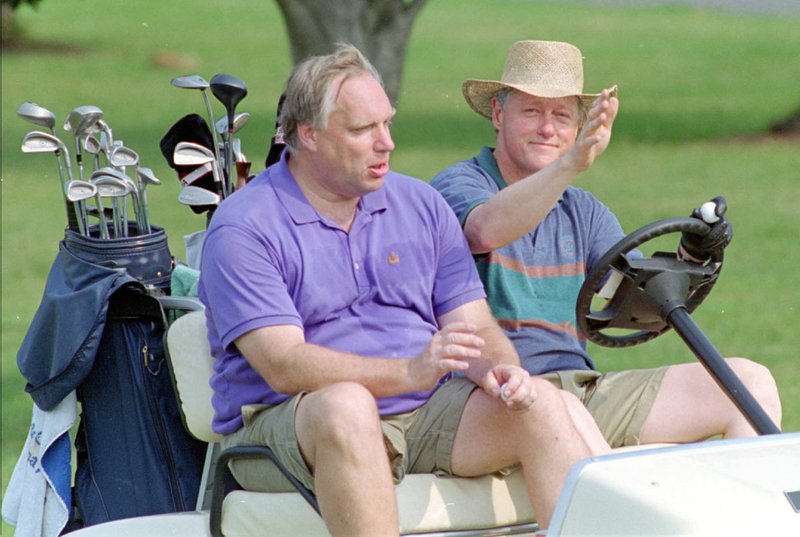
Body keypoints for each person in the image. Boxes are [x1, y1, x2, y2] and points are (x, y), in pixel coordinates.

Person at [198, 43, 611, 537]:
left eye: (387, 123)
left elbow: (474, 325)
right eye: (362, 130)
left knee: (540, 400)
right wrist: (409, 371)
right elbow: (284, 364)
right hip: (289, 423)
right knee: (347, 405)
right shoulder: (245, 227)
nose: (386, 143)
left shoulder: (421, 204)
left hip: (426, 410)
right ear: (307, 135)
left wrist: (503, 371)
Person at [431, 40, 782, 449]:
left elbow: (641, 301)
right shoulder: (459, 185)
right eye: (532, 112)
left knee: (750, 384)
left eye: (562, 116)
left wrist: (694, 255)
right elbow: (484, 231)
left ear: (579, 128)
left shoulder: (585, 210)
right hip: (488, 395)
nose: (548, 129)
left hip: (579, 387)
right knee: (568, 419)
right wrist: (569, 165)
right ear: (497, 114)